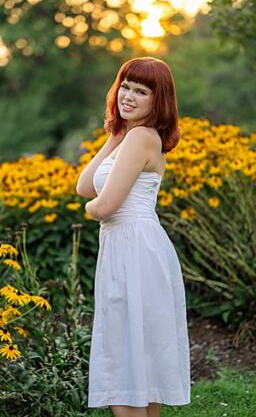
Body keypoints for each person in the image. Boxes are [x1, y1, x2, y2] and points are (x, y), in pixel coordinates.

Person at [76, 57, 190, 416]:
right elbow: (83, 185)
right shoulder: (129, 136)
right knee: (139, 359)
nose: (129, 96)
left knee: (122, 363)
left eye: (141, 92)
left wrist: (90, 212)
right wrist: (114, 134)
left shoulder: (142, 137)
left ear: (159, 101)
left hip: (134, 249)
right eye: (125, 86)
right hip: (130, 246)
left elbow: (103, 204)